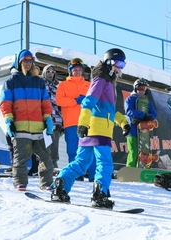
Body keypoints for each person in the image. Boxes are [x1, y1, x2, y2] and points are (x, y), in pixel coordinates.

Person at [51, 48, 130, 209]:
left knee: (81, 162)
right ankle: (100, 194)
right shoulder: (101, 79)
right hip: (98, 129)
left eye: (123, 64)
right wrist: (82, 124)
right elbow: (88, 102)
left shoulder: (106, 80)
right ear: (109, 62)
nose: (120, 67)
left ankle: (61, 186)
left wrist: (123, 122)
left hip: (91, 129)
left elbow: (108, 109)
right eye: (118, 63)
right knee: (105, 163)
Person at [0, 49, 54, 191]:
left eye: (30, 61)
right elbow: (5, 104)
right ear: (19, 62)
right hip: (20, 127)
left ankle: (47, 183)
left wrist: (48, 119)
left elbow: (46, 103)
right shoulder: (11, 82)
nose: (28, 64)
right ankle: (20, 182)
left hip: (38, 128)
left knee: (46, 158)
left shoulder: (38, 82)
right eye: (25, 61)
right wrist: (9, 120)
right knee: (21, 157)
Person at [56, 57, 95, 181]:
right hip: (71, 123)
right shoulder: (63, 85)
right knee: (73, 150)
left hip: (89, 123)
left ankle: (94, 177)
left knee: (91, 150)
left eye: (79, 70)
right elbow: (59, 100)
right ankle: (77, 177)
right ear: (70, 71)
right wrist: (75, 100)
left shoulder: (89, 85)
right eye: (75, 70)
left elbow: (97, 100)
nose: (77, 72)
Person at [124, 78, 157, 168]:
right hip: (132, 129)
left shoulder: (147, 101)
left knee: (143, 151)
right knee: (134, 151)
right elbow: (129, 111)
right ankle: (130, 169)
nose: (142, 90)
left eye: (144, 88)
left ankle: (142, 168)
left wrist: (149, 117)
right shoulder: (130, 99)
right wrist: (142, 115)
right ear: (135, 88)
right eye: (140, 87)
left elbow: (154, 113)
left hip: (144, 131)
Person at [41, 64, 64, 168]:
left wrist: (62, 123)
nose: (50, 74)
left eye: (52, 72)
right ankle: (44, 168)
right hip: (44, 121)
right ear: (44, 73)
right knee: (45, 147)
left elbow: (60, 106)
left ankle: (54, 167)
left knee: (54, 148)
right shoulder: (40, 85)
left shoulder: (57, 88)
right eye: (48, 71)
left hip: (57, 122)